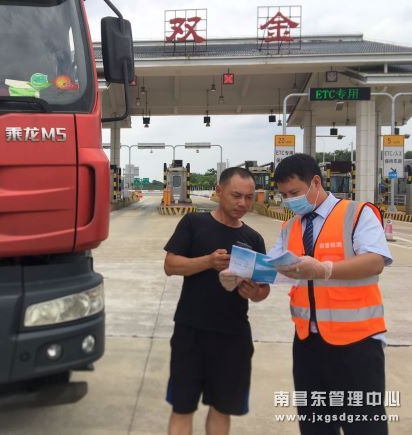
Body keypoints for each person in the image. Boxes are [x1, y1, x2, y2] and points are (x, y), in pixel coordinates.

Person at [269, 153, 391, 435]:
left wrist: (325, 269)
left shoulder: (357, 213)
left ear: (315, 182)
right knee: (315, 426)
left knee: (364, 427)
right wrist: (246, 277)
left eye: (294, 193)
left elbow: (375, 261)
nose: (289, 200)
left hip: (357, 343)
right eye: (284, 195)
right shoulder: (290, 227)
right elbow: (273, 267)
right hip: (307, 344)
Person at [163, 167, 270, 435]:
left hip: (233, 336)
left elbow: (263, 290)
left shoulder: (253, 239)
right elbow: (171, 265)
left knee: (223, 408)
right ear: (219, 191)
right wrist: (208, 261)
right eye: (236, 195)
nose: (243, 203)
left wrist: (253, 292)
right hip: (191, 331)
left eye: (248, 197)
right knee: (182, 407)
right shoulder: (193, 223)